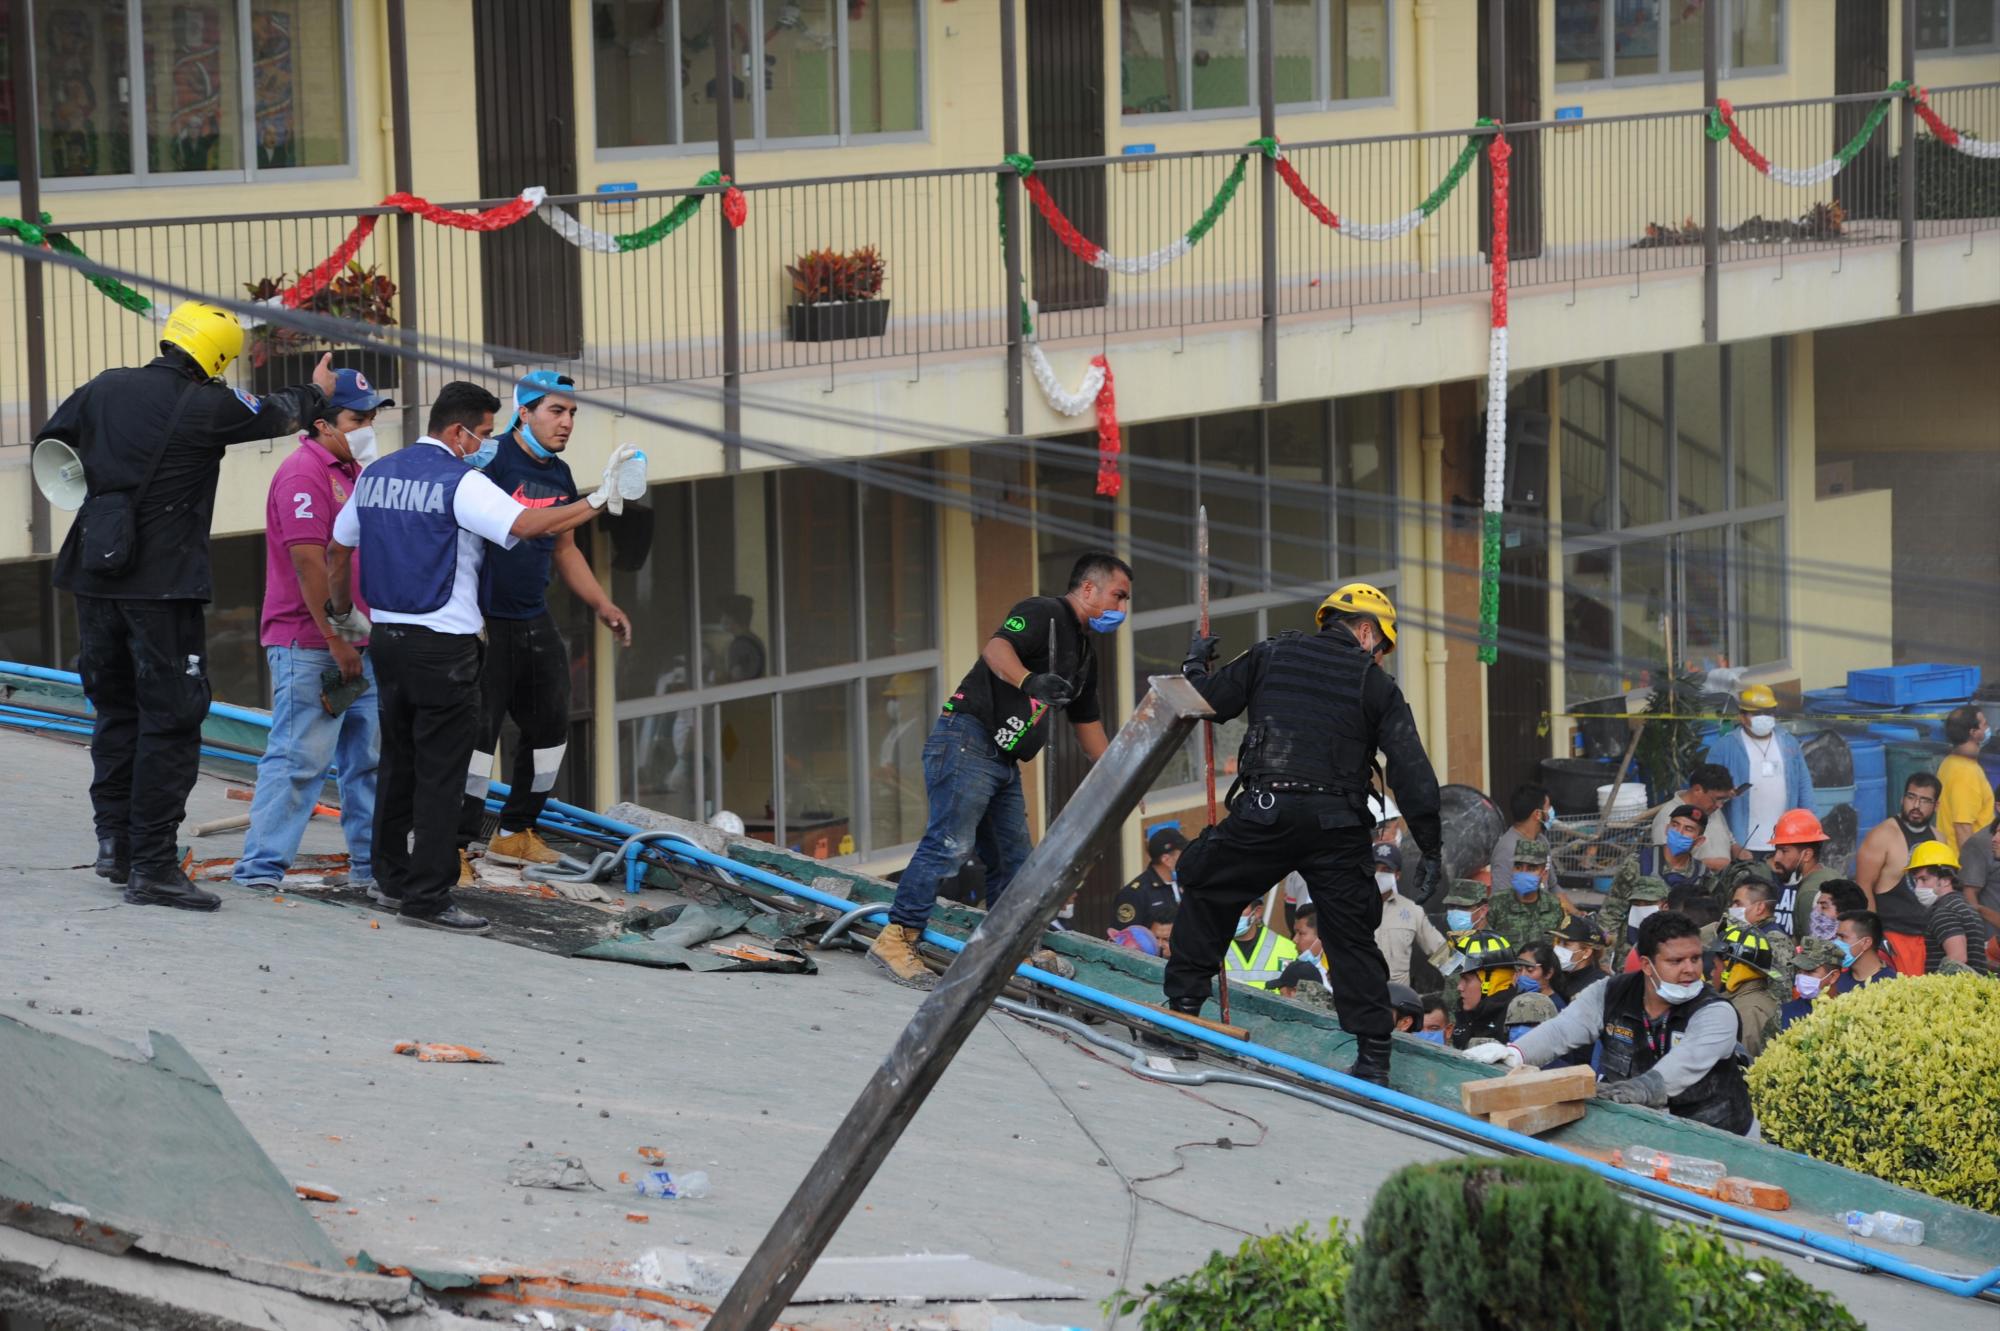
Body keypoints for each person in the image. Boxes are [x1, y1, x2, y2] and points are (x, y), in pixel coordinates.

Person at [43, 301, 334, 911]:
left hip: (95, 575)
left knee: (116, 711)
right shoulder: (207, 405)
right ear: (217, 357)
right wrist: (317, 389)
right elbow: (279, 413)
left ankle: (114, 847)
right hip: (161, 587)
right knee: (172, 720)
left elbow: (55, 447)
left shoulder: (103, 387)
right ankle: (152, 866)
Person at [326, 382, 629, 935]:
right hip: (444, 645)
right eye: (485, 434)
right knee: (442, 773)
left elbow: (339, 546)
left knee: (397, 763)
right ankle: (428, 897)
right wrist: (597, 499)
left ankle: (389, 880)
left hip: (388, 640)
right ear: (457, 431)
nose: (486, 445)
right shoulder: (459, 481)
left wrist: (342, 611)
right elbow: (526, 525)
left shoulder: (376, 474)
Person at [1164, 583, 1442, 1085]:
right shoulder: (1375, 686)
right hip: (1336, 827)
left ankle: (1182, 1010)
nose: (1378, 657)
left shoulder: (1270, 654)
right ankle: (1374, 1059)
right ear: (1364, 630)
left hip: (1266, 812)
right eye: (1380, 646)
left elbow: (1208, 702)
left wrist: (1193, 667)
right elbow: (1411, 770)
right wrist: (1432, 842)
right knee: (1353, 934)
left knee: (1208, 886)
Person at [869, 553, 1131, 988]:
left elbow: (1088, 725)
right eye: (1117, 596)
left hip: (1003, 761)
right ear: (1088, 588)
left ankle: (1012, 948)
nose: (1121, 610)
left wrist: (1121, 779)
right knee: (950, 844)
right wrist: (1030, 681)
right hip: (968, 739)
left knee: (1013, 862)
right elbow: (996, 648)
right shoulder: (1044, 613)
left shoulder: (1084, 655)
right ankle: (897, 939)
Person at [453, 373, 633, 872]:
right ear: (525, 412)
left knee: (551, 726)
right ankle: (456, 846)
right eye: (557, 411)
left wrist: (603, 604)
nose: (567, 422)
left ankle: (515, 831)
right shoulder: (487, 460)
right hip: (483, 619)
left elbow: (565, 548)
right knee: (476, 739)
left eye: (573, 413)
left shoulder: (559, 474)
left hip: (532, 614)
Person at [233, 370, 389, 897]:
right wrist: (337, 640)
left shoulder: (350, 469)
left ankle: (372, 869)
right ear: (322, 424)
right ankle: (259, 873)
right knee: (299, 760)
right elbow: (309, 563)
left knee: (365, 764)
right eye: (357, 419)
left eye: (371, 417)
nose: (368, 427)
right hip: (312, 644)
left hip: (356, 642)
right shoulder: (305, 474)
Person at [1474, 911, 1754, 1134]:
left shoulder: (1716, 1012)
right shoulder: (1609, 992)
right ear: (1647, 965)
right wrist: (1514, 1053)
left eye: (1695, 958)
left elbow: (1684, 1065)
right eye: (1676, 961)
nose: (1691, 970)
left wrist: (1632, 1090)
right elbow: (1563, 1029)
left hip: (1716, 1134)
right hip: (1641, 1129)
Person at [1707, 685, 1814, 856]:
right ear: (1742, 717)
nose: (1763, 718)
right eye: (1756, 713)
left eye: (1768, 712)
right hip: (1744, 844)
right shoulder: (1725, 747)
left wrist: (1809, 827)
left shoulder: (1788, 742)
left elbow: (1803, 784)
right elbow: (1708, 793)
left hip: (1785, 842)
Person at [1855, 773, 1942, 976]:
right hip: (1892, 937)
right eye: (1911, 797)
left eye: (1925, 800)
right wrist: (1874, 938)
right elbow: (1863, 887)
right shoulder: (1882, 835)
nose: (1916, 805)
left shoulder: (1939, 839)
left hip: (1928, 938)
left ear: (1936, 806)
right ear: (1902, 798)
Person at [1373, 848, 1452, 988]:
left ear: (1397, 875)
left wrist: (1469, 977)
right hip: (1360, 1000)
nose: (1379, 874)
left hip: (1397, 1002)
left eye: (1386, 870)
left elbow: (1440, 951)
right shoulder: (1350, 910)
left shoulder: (1412, 911)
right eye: (1375, 868)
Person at [1908, 841, 1990, 975]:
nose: (1918, 887)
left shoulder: (1945, 912)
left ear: (1945, 880)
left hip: (1955, 993)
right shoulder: (1963, 907)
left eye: (1924, 879)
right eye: (1916, 881)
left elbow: (1957, 959)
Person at [1486, 837, 1569, 961]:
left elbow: (1561, 948)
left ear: (1544, 874)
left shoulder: (1554, 906)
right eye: (1518, 867)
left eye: (1531, 868)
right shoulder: (1497, 903)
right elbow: (1484, 947)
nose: (1523, 873)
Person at [1710, 924, 1781, 1060]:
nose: (1712, 973)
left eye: (1715, 966)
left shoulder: (1748, 1013)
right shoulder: (1748, 999)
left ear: (1731, 971)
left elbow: (1742, 1067)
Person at [1649, 763, 1737, 872]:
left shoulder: (1711, 809)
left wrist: (1740, 852)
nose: (1720, 805)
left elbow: (1730, 840)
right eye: (1716, 799)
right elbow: (1665, 861)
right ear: (1697, 790)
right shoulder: (1668, 816)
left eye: (1723, 800)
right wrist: (1710, 865)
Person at [1768, 808, 1837, 941]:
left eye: (1784, 851)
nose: (1776, 858)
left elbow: (1812, 949)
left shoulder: (1809, 893)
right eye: (1776, 850)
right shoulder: (1831, 874)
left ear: (1806, 855)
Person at [1936, 706, 1994, 854]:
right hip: (1965, 863)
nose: (1988, 728)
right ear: (1973, 733)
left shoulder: (1950, 761)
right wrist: (1970, 870)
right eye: (1984, 725)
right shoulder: (1965, 772)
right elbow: (1962, 827)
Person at [1448, 931, 1520, 1051]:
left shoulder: (1514, 1022)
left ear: (1491, 983)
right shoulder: (1469, 1013)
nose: (1459, 987)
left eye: (1466, 979)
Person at [1720, 876, 1792, 985]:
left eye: (1738, 903)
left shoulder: (1774, 940)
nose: (1732, 908)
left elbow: (1780, 989)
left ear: (1760, 908)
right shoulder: (1749, 935)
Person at [1113, 825, 1185, 932]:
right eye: (1182, 853)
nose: (1187, 856)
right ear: (1166, 860)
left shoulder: (1183, 882)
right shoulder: (1134, 894)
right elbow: (1126, 940)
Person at [1601, 866, 1671, 971]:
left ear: (1665, 906)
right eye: (1636, 903)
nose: (1642, 907)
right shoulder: (1626, 932)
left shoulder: (1674, 934)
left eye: (1649, 903)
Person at [1489, 782, 1552, 887]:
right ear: (1538, 814)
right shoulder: (1507, 850)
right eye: (1548, 807)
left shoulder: (1542, 841)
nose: (1550, 812)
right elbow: (1500, 898)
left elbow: (1552, 886)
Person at [1778, 936, 1844, 1031]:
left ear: (1833, 976)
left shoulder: (1848, 1011)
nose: (1801, 976)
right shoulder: (1785, 1012)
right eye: (1800, 971)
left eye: (1810, 971)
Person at [1549, 913, 1611, 1006]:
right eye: (1558, 942)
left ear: (1586, 952)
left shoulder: (1598, 986)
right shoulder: (1557, 976)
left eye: (1566, 944)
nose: (1558, 948)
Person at [1832, 910, 1899, 992]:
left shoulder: (1891, 986)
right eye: (1837, 938)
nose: (1836, 943)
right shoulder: (1835, 981)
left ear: (1866, 943)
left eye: (1843, 937)